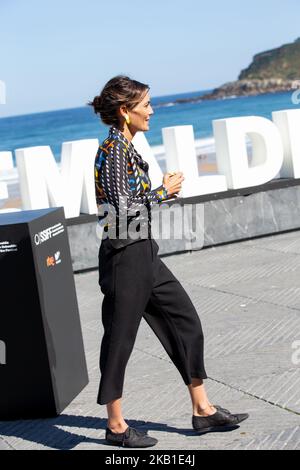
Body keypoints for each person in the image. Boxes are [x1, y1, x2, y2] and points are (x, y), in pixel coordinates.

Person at [88, 75, 248, 448]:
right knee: (120, 340)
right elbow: (121, 211)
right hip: (123, 257)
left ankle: (203, 410)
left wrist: (159, 190)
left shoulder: (128, 149)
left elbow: (131, 201)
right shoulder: (112, 151)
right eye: (145, 105)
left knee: (184, 320)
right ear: (125, 112)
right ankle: (115, 427)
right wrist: (163, 191)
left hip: (144, 252)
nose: (151, 110)